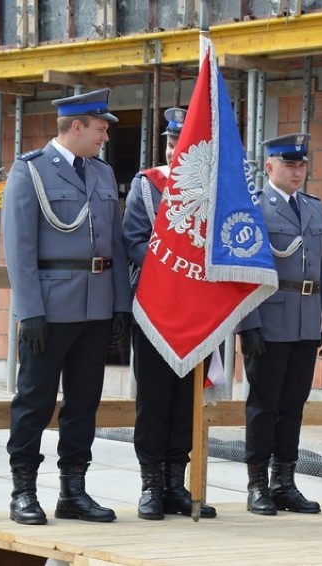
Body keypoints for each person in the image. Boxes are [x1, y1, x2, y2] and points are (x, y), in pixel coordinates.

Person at [2, 88, 132, 525]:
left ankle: (73, 491)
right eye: (100, 129)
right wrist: (29, 310)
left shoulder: (100, 174)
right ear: (76, 126)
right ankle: (23, 491)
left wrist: (119, 307)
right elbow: (19, 248)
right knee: (34, 401)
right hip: (50, 309)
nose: (105, 137)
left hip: (95, 309)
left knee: (83, 403)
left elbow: (112, 244)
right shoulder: (31, 171)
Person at [235, 133, 322, 516]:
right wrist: (248, 324)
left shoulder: (313, 208)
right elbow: (243, 269)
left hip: (304, 319)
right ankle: (257, 484)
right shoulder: (254, 208)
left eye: (301, 165)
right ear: (269, 167)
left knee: (293, 405)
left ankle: (284, 481)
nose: (297, 172)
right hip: (268, 317)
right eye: (289, 165)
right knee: (263, 405)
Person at [123, 108, 217, 520]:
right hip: (156, 309)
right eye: (172, 142)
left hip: (199, 310)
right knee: (155, 399)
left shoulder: (214, 189)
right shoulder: (148, 186)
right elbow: (133, 241)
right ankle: (151, 485)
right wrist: (173, 267)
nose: (175, 148)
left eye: (185, 142)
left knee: (186, 401)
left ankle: (177, 483)